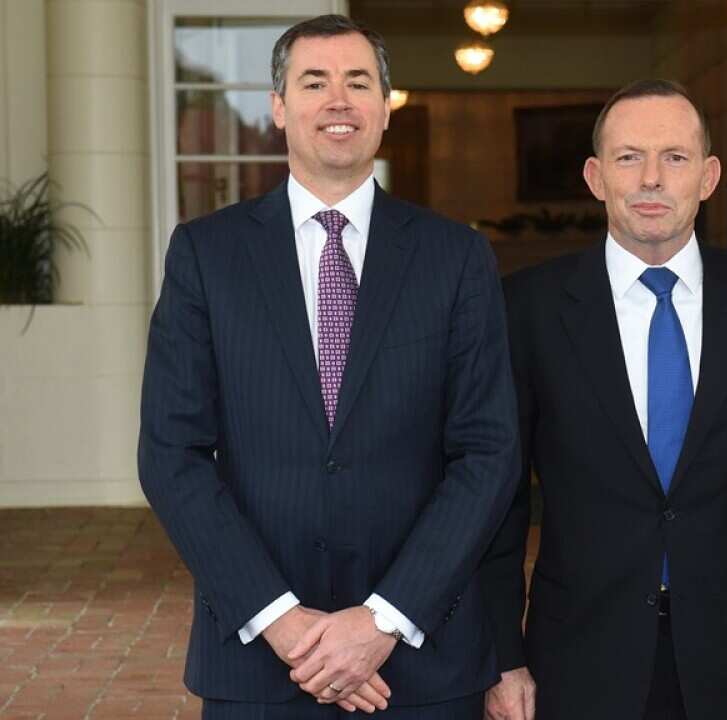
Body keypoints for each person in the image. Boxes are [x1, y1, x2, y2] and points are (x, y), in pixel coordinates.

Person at [138, 15, 519, 719]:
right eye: (314, 83)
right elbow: (171, 453)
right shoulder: (207, 254)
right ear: (279, 107)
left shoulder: (456, 258)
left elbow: (488, 452)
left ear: (385, 106)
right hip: (258, 662)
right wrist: (284, 624)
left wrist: (382, 621)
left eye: (358, 82)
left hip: (420, 663)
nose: (338, 100)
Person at [478, 80, 727, 720]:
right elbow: (500, 501)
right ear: (595, 177)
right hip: (580, 656)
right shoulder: (527, 308)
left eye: (674, 157)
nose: (651, 178)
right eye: (629, 157)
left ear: (708, 176)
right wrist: (502, 657)